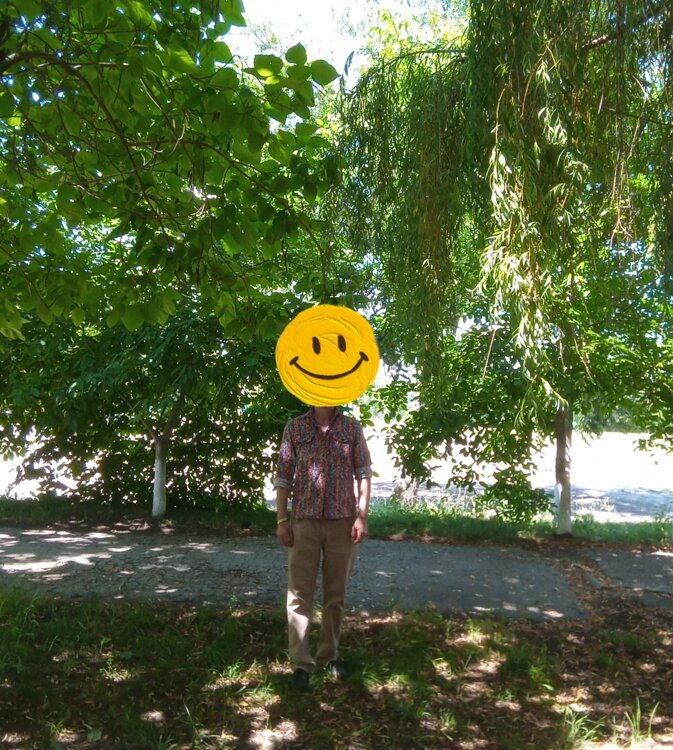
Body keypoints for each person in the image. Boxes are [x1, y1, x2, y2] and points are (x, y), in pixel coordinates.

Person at [274, 404, 372, 690]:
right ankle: (301, 664)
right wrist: (281, 519)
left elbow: (364, 474)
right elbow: (283, 476)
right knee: (299, 594)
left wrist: (362, 516)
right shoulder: (295, 427)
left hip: (343, 523)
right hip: (304, 523)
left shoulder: (352, 428)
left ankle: (330, 656)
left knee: (335, 594)